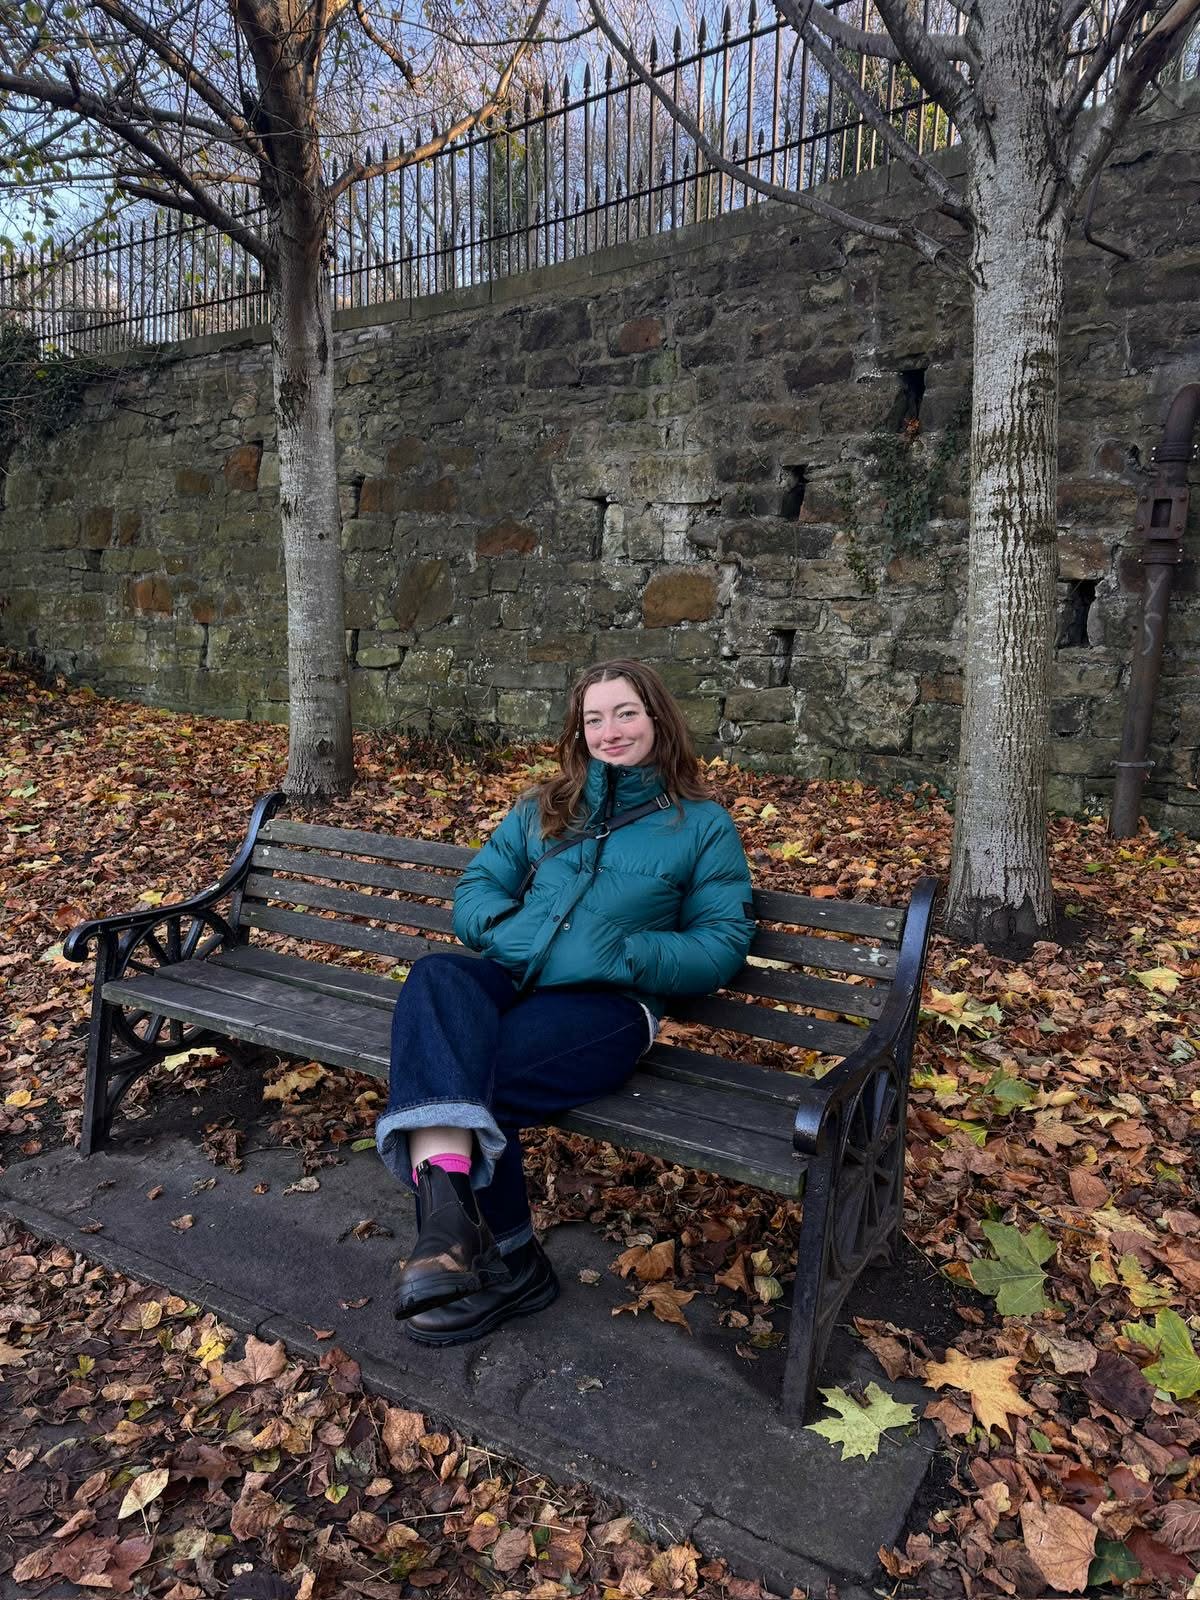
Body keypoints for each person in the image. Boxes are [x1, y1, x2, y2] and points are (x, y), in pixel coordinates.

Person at [376, 659, 756, 1345]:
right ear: (578, 733)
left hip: (607, 1006)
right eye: (594, 719)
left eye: (626, 713)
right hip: (514, 980)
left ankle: (496, 1254)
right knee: (438, 978)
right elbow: (476, 891)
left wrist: (623, 953)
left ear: (657, 719)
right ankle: (465, 1233)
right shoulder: (545, 807)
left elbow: (722, 942)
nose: (610, 731)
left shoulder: (702, 825)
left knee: (469, 1076)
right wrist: (516, 932)